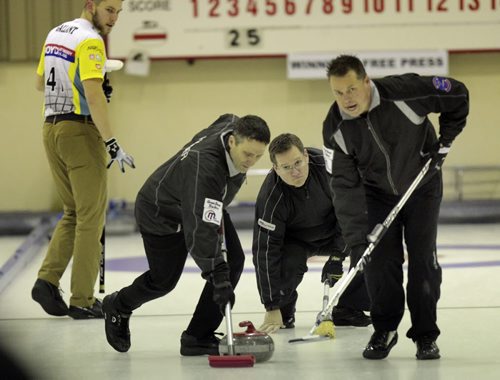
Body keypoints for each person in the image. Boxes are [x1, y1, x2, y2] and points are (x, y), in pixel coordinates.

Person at [322, 55, 469, 360]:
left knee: (422, 262)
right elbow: (345, 187)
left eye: (351, 89)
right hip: (376, 195)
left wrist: (445, 141)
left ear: (366, 81)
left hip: (422, 186)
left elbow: (458, 94)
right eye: (338, 92)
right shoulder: (335, 127)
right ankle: (384, 330)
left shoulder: (405, 92)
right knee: (378, 262)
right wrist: (356, 240)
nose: (346, 99)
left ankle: (425, 335)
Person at [102, 114, 271, 355]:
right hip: (160, 211)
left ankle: (197, 337)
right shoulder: (205, 168)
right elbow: (200, 228)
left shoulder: (231, 128)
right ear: (232, 142)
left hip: (200, 200)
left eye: (258, 156)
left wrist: (220, 272)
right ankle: (118, 305)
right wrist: (216, 273)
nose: (251, 162)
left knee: (233, 261)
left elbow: (226, 117)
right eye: (247, 155)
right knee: (163, 281)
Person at [31, 0, 134, 320]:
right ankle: (83, 299)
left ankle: (47, 281)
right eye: (109, 10)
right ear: (90, 5)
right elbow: (93, 96)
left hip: (51, 128)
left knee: (74, 211)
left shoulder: (55, 33)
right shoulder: (90, 40)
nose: (114, 18)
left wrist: (92, 81)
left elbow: (39, 83)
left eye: (118, 12)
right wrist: (113, 143)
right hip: (79, 131)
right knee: (92, 216)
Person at [253, 133, 371, 333]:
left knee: (370, 248)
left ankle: (349, 308)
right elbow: (264, 252)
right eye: (286, 167)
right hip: (295, 240)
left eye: (298, 162)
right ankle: (284, 310)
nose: (295, 172)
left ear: (306, 156)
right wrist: (271, 305)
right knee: (288, 262)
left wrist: (337, 253)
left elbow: (351, 211)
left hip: (335, 229)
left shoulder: (330, 168)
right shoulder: (271, 197)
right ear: (276, 168)